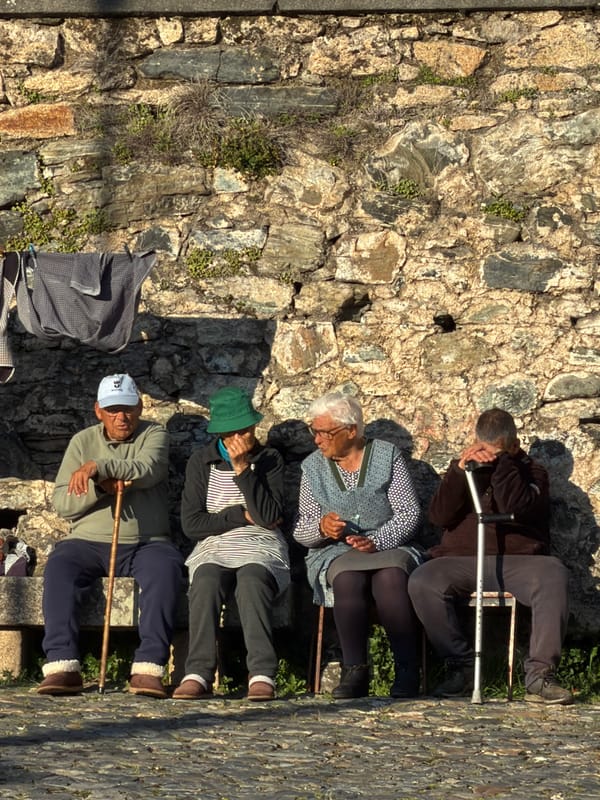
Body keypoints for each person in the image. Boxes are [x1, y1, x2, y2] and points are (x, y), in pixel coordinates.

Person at [408, 408, 573, 704]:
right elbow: (438, 516)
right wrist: (460, 472)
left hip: (519, 561)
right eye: (484, 448)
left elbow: (516, 506)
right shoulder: (464, 468)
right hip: (462, 559)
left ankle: (540, 676)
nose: (488, 456)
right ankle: (461, 666)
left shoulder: (533, 472)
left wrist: (503, 463)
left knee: (554, 574)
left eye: (498, 450)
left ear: (515, 445)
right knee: (423, 579)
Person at [38, 374, 184, 698]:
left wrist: (97, 467)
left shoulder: (155, 434)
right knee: (60, 567)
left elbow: (148, 468)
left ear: (140, 407)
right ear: (98, 411)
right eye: (113, 410)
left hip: (146, 541)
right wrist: (100, 489)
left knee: (165, 569)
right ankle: (62, 664)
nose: (121, 417)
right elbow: (63, 504)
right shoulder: (82, 442)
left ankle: (148, 668)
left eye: (128, 408)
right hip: (87, 542)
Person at [293, 391, 424, 699]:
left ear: (351, 431)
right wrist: (322, 528)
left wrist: (378, 540)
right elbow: (301, 529)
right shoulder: (313, 467)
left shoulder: (386, 456)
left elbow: (408, 513)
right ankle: (354, 670)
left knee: (391, 578)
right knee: (347, 580)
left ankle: (407, 668)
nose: (317, 440)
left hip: (388, 545)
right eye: (314, 431)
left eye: (324, 433)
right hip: (336, 551)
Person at [173, 386, 289, 702]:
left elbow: (268, 516)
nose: (242, 437)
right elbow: (192, 524)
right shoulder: (201, 462)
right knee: (206, 580)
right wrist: (239, 515)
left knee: (252, 580)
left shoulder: (270, 459)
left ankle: (262, 673)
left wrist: (242, 470)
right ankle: (198, 672)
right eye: (234, 432)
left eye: (247, 430)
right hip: (215, 546)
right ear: (222, 434)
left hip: (261, 546)